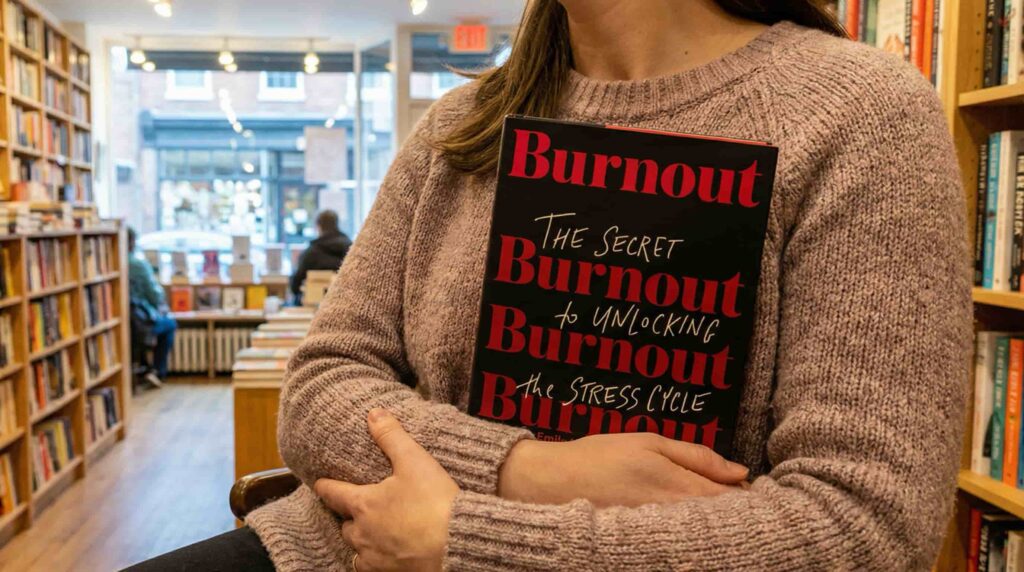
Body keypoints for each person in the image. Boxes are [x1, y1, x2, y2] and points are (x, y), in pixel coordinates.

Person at [130, 0, 971, 570]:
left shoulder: (860, 116)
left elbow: (863, 527)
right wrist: (524, 471)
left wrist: (466, 541)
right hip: (353, 548)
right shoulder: (464, 127)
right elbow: (319, 390)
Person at [127, 227, 177, 381]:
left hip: (127, 322)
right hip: (140, 322)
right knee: (169, 324)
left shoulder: (109, 263)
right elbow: (154, 295)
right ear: (131, 242)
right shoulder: (137, 265)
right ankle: (157, 371)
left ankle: (144, 365)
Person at [289, 209, 352, 303]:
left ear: (318, 226)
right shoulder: (351, 250)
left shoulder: (310, 253)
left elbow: (294, 287)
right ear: (337, 224)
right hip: (343, 305)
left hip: (313, 309)